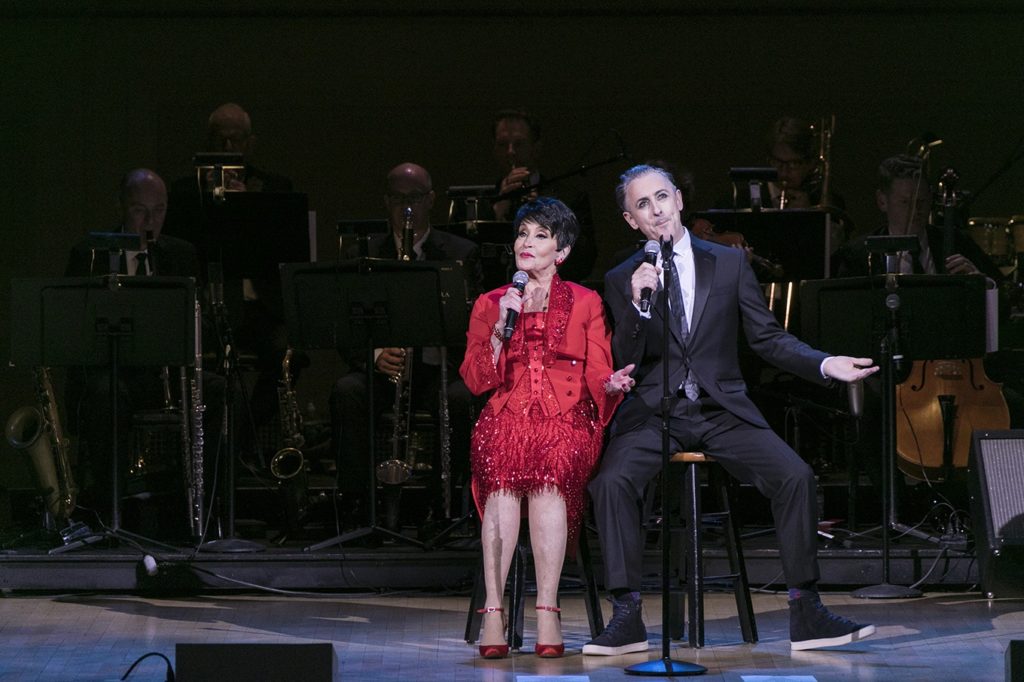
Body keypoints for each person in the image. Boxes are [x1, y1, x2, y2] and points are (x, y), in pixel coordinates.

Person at [585, 164, 879, 655]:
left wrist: (825, 363)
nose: (656, 210)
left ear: (679, 199)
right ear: (631, 220)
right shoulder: (622, 277)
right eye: (643, 204)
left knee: (795, 476)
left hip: (720, 408)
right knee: (611, 482)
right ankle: (627, 615)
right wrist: (639, 304)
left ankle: (806, 611)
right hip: (656, 411)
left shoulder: (728, 262)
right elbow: (625, 359)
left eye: (662, 197)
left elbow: (766, 338)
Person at [460, 197, 635, 658]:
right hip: (505, 416)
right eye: (522, 233)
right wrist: (500, 328)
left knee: (548, 479)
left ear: (562, 251)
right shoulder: (491, 302)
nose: (527, 243)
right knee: (500, 477)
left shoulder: (586, 301)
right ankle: (494, 613)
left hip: (566, 418)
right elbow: (477, 380)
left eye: (540, 235)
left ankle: (547, 609)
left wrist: (612, 383)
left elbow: (598, 370)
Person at [65, 169, 223, 536]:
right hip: (112, 375)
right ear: (120, 207)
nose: (150, 221)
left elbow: (198, 328)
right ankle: (111, 513)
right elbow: (73, 332)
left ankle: (202, 513)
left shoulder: (181, 255)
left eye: (160, 209)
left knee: (215, 390)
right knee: (106, 396)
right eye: (140, 210)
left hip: (163, 375)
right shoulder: (89, 253)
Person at [329, 162, 483, 532]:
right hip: (385, 368)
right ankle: (358, 506)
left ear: (431, 200)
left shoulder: (461, 253)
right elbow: (343, 326)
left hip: (438, 368)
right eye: (398, 199)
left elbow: (477, 324)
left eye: (414, 198)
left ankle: (445, 506)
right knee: (347, 392)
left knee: (462, 400)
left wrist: (439, 347)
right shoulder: (361, 254)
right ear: (386, 201)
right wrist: (376, 355)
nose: (407, 208)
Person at [449, 109, 597, 283]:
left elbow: (584, 262)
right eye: (503, 144)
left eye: (519, 144)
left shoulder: (569, 198)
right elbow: (465, 264)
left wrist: (546, 216)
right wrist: (496, 213)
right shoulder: (475, 202)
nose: (510, 152)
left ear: (536, 148)